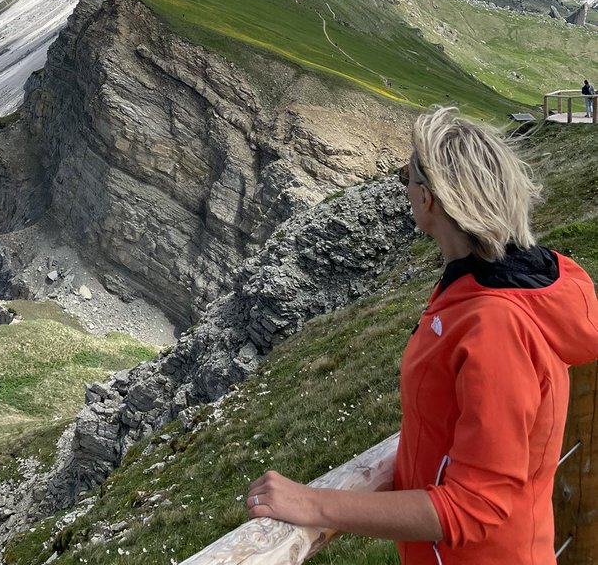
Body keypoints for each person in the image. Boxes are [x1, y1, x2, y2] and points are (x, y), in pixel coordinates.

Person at [246, 106, 598, 564]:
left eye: (407, 177)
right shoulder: (484, 283)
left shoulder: (497, 325)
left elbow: (475, 506)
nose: (403, 189)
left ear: (429, 199)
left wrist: (312, 503)